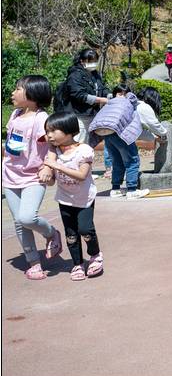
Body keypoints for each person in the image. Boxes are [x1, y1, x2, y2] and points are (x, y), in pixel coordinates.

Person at [4, 76, 62, 280]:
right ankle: (34, 263)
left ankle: (51, 233)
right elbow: (14, 145)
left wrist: (48, 165)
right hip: (10, 175)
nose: (13, 92)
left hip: (33, 177)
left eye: (18, 89)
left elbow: (53, 145)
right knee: (18, 222)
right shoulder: (15, 114)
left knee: (27, 217)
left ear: (32, 95)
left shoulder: (41, 119)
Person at [41, 113, 103, 280]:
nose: (49, 135)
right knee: (71, 234)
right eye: (47, 131)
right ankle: (77, 264)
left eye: (53, 131)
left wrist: (56, 166)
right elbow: (53, 182)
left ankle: (95, 255)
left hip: (84, 199)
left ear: (69, 131)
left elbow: (82, 175)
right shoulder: (54, 153)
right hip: (65, 199)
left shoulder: (83, 150)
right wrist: (46, 177)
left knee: (85, 229)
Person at [89, 88, 149, 200]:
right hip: (120, 133)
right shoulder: (129, 102)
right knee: (132, 160)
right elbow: (134, 121)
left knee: (117, 161)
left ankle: (115, 189)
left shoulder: (110, 103)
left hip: (106, 132)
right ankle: (132, 190)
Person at [62, 48, 111, 145]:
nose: (93, 63)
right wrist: (101, 100)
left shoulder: (95, 74)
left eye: (95, 61)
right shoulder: (75, 75)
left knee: (89, 144)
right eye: (90, 61)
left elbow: (102, 88)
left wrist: (110, 95)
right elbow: (79, 95)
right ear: (82, 61)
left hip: (92, 114)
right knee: (79, 143)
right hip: (79, 115)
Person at [136, 87, 170, 172]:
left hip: (112, 134)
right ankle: (132, 185)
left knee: (119, 163)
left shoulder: (135, 104)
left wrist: (154, 137)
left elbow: (138, 131)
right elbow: (154, 124)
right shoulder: (143, 107)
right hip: (123, 137)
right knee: (133, 163)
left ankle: (116, 185)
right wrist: (164, 134)